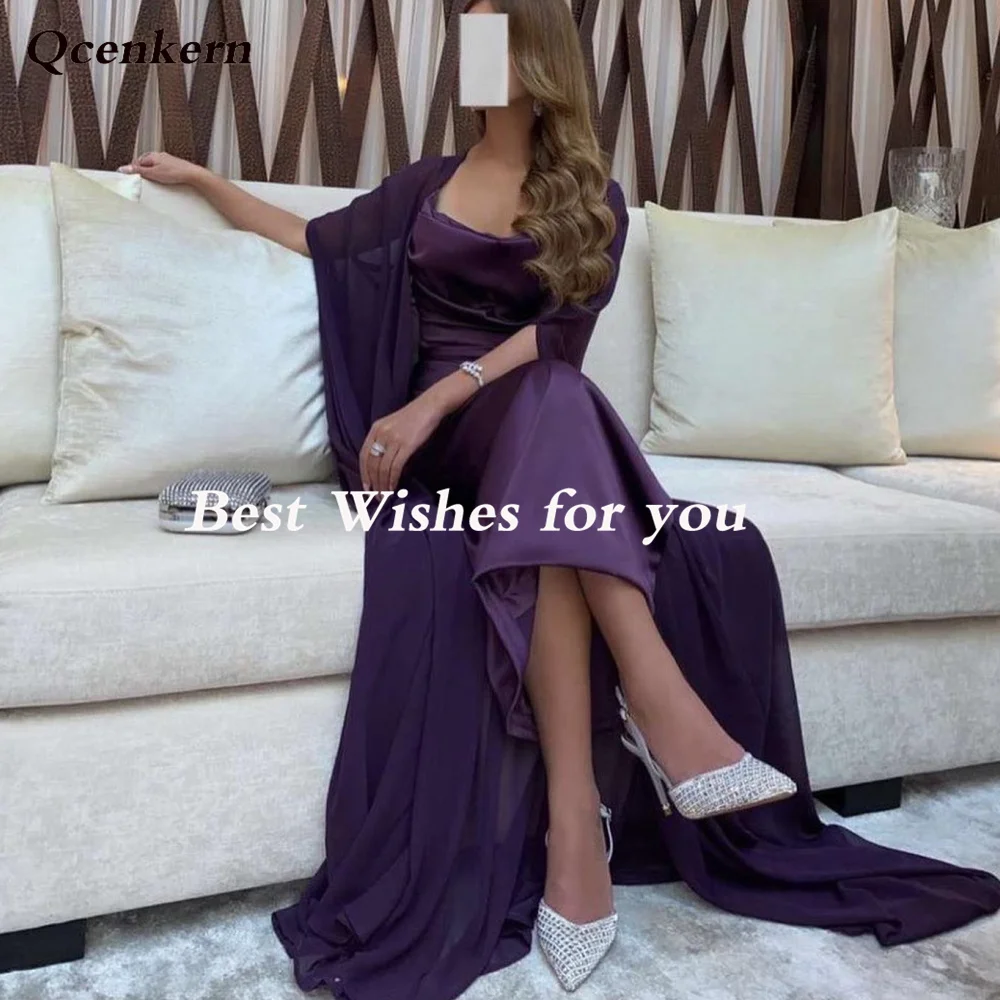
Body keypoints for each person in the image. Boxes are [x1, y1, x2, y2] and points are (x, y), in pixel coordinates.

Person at [120, 0, 1000, 997]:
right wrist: (205, 183)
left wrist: (457, 386)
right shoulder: (422, 187)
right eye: (465, 37)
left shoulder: (592, 200)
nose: (470, 55)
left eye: (491, 36)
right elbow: (312, 237)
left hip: (528, 438)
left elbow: (557, 342)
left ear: (535, 58)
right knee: (554, 413)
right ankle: (666, 714)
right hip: (433, 451)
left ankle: (575, 821)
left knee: (551, 403)